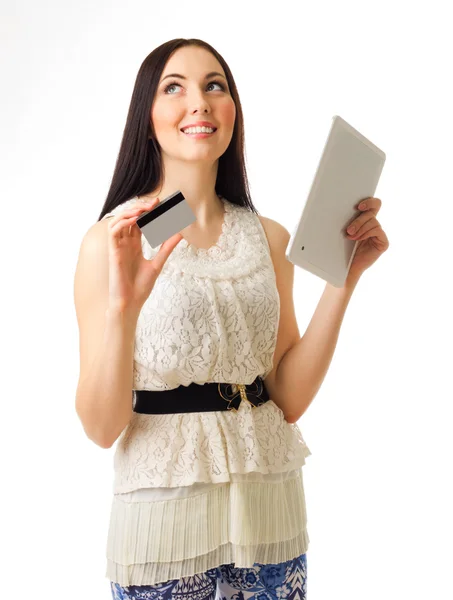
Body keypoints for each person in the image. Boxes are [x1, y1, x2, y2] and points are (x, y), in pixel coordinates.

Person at [74, 37, 389, 600]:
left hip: (269, 513)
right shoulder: (116, 240)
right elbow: (101, 428)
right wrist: (125, 309)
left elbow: (287, 398)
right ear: (147, 118)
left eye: (213, 85)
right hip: (165, 527)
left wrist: (345, 278)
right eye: (175, 87)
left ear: (232, 112)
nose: (198, 101)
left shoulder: (267, 237)